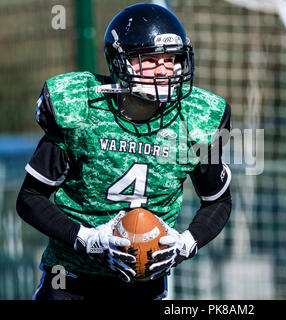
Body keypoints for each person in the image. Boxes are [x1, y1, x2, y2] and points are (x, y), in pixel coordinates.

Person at [16, 3, 232, 300]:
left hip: (144, 284)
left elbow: (217, 202)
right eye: (152, 59)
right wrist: (87, 239)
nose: (165, 69)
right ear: (121, 63)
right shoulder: (82, 111)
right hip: (70, 277)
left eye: (171, 59)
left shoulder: (195, 120)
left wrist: (185, 244)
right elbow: (29, 198)